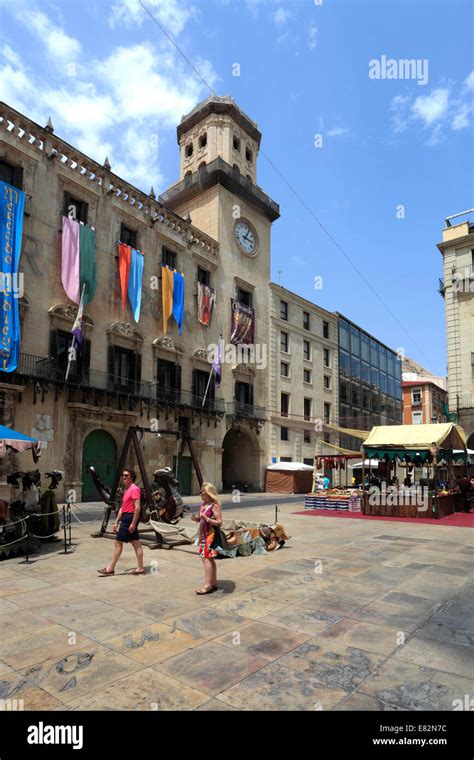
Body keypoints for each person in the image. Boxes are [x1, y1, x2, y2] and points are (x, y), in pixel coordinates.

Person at [97, 468, 144, 576]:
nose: (123, 477)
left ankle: (110, 568)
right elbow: (122, 508)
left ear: (132, 477)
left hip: (130, 517)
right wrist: (117, 521)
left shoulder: (134, 489)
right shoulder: (127, 490)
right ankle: (140, 568)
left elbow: (137, 508)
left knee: (118, 543)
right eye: (123, 475)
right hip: (126, 517)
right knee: (136, 543)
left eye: (126, 475)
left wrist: (133, 523)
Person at [192, 482, 222, 595]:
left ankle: (208, 585)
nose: (201, 494)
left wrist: (207, 519)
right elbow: (202, 519)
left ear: (209, 493)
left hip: (210, 536)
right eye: (200, 492)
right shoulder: (203, 505)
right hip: (203, 535)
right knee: (209, 559)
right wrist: (198, 519)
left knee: (206, 559)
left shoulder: (214, 506)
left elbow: (219, 523)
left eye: (202, 492)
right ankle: (213, 583)